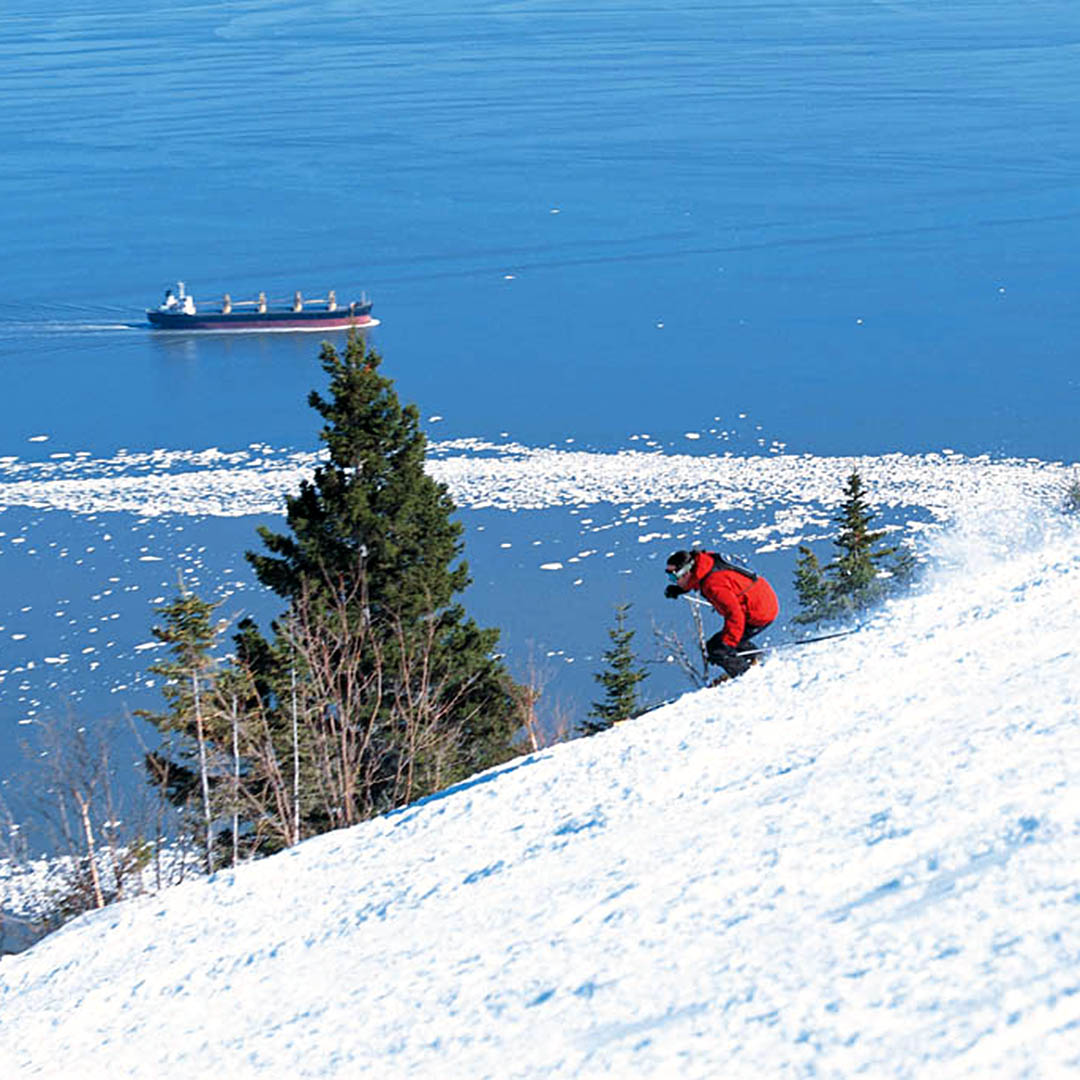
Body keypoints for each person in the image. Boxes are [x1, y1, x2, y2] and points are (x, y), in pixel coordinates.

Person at [664, 549, 779, 679]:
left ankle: (748, 677)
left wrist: (728, 644)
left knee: (717, 649)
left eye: (674, 577)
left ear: (686, 572)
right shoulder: (704, 562)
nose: (673, 580)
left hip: (759, 612)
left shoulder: (713, 585)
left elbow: (735, 614)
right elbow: (697, 577)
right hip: (761, 598)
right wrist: (681, 589)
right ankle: (756, 659)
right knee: (727, 640)